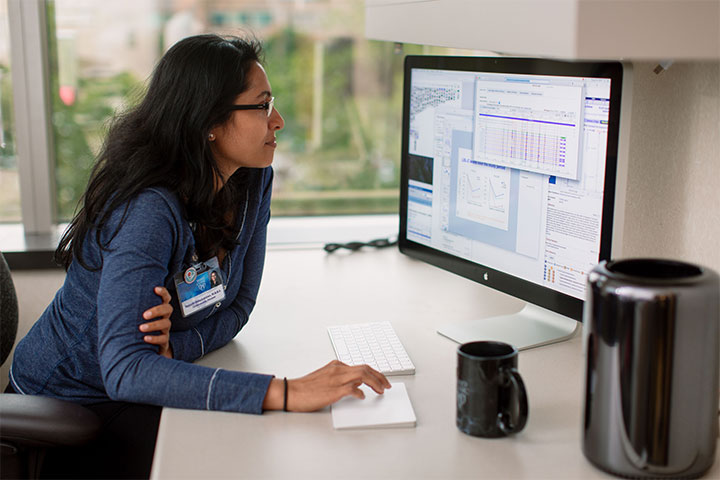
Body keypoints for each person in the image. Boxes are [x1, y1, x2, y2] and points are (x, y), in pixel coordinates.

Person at [6, 33, 390, 479]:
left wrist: (176, 350)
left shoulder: (251, 180)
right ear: (209, 120)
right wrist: (286, 392)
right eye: (262, 106)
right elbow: (127, 370)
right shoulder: (148, 210)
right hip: (69, 408)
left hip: (137, 387)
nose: (278, 120)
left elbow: (240, 305)